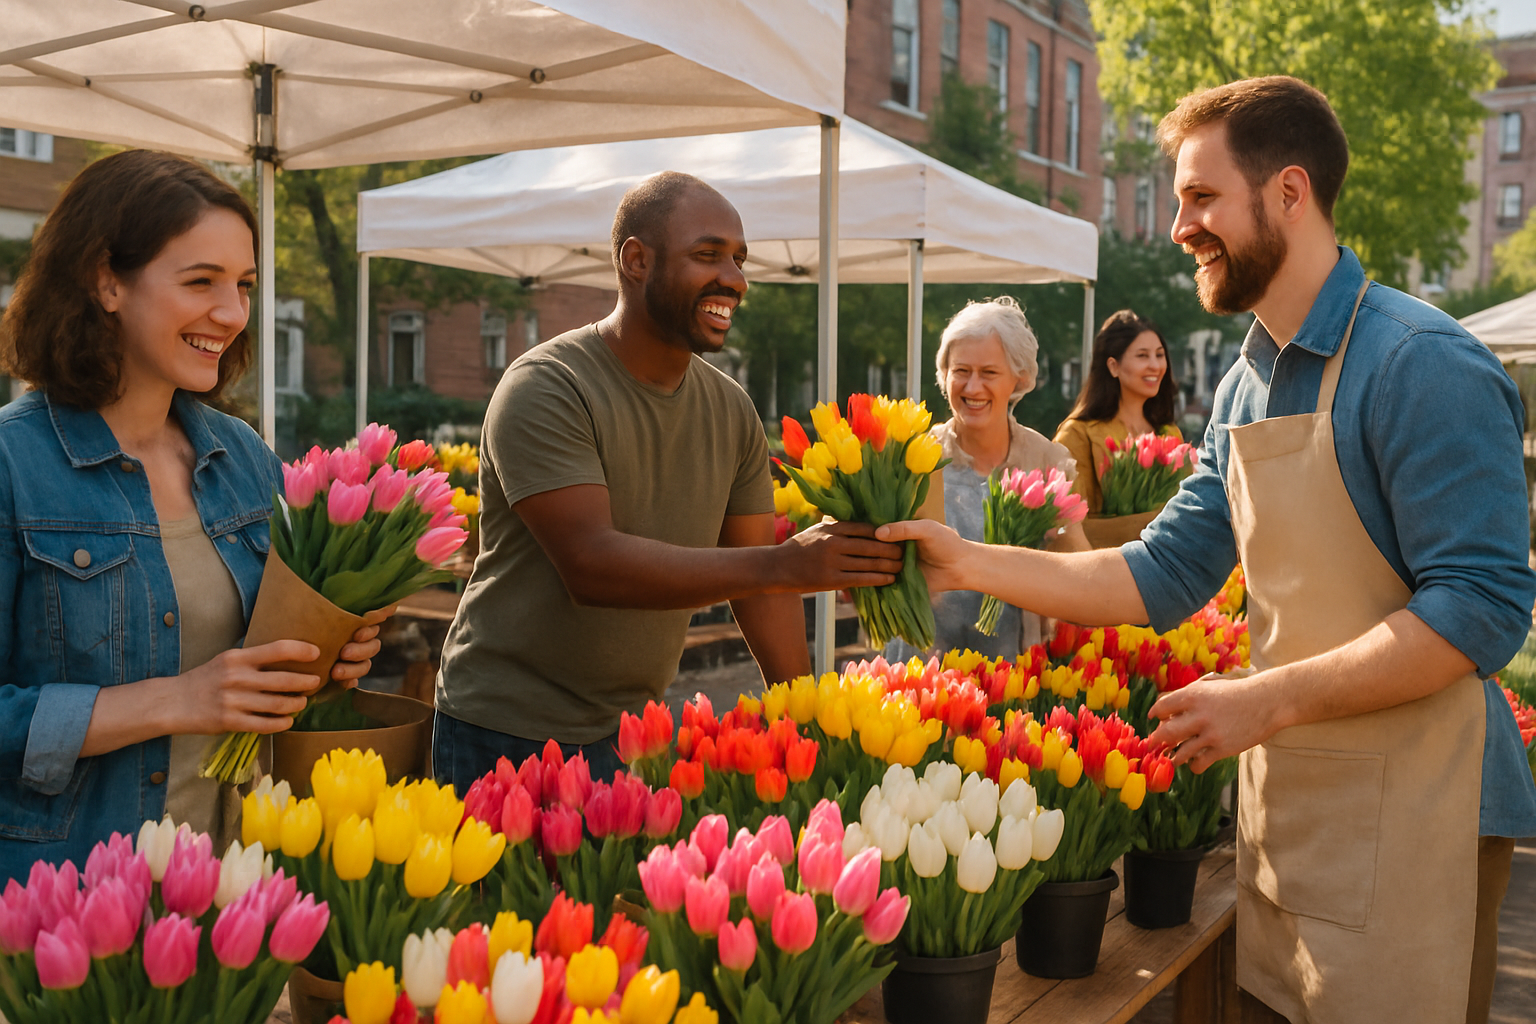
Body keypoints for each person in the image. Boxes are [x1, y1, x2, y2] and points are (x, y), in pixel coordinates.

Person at [879, 76, 1536, 1024]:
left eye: (1200, 197)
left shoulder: (1421, 363)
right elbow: (1162, 571)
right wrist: (963, 560)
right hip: (1295, 798)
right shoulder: (1242, 386)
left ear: (1289, 192)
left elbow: (1479, 609)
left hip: (1426, 809)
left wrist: (1265, 699)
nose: (1180, 227)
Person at [434, 171, 903, 791]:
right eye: (708, 255)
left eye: (739, 260)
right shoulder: (547, 386)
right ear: (636, 261)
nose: (734, 280)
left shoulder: (731, 409)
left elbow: (761, 583)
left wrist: (805, 719)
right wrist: (786, 563)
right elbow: (591, 567)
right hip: (505, 729)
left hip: (637, 732)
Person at [0, 150, 384, 883]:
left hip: (236, 882)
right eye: (201, 281)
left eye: (243, 285)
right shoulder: (12, 465)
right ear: (106, 281)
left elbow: (259, 669)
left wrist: (327, 656)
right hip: (74, 895)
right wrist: (174, 701)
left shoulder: (244, 459)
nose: (233, 314)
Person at [884, 297, 1088, 664]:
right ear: (944, 374)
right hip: (920, 664)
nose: (973, 387)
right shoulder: (915, 456)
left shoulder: (1046, 461)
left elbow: (1080, 568)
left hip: (1013, 667)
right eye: (961, 371)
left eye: (989, 373)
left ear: (1019, 378)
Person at [1053, 310, 1183, 517]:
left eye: (1159, 355)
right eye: (1142, 356)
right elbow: (1067, 520)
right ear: (1113, 366)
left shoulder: (1169, 434)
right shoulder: (1078, 434)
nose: (1155, 366)